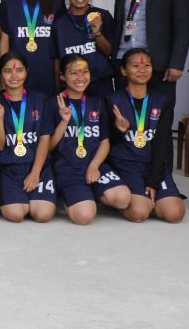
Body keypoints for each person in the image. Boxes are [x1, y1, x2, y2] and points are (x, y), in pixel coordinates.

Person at [111, 0, 189, 136]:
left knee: (159, 126)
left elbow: (183, 25)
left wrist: (176, 63)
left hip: (159, 67)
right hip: (123, 65)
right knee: (124, 124)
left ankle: (159, 160)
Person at [50, 54, 130, 225]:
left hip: (94, 165)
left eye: (85, 72)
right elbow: (47, 147)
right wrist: (64, 122)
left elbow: (104, 142)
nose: (80, 77)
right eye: (74, 73)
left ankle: (89, 194)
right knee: (85, 216)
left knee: (123, 199)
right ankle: (67, 197)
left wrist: (94, 166)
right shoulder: (53, 104)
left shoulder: (97, 103)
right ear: (62, 76)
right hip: (68, 169)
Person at [108, 48, 186, 223]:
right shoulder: (113, 101)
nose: (142, 70)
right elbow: (107, 141)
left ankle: (151, 198)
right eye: (135, 66)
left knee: (174, 214)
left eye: (147, 66)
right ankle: (135, 200)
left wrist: (154, 179)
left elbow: (162, 142)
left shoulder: (162, 100)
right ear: (123, 70)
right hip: (127, 166)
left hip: (153, 165)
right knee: (139, 213)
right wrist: (119, 130)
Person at [0, 52, 57, 222]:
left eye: (19, 70)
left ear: (27, 71)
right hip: (8, 169)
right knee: (16, 214)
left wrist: (35, 172)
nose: (14, 76)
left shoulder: (41, 100)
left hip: (37, 167)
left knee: (43, 215)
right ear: (0, 74)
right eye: (7, 71)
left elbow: (44, 139)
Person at [0, 0, 64, 95]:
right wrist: (2, 78)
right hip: (16, 75)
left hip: (48, 73)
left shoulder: (57, 3)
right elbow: (4, 43)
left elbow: (61, 42)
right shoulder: (8, 4)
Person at [53, 0, 116, 97]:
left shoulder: (102, 16)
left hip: (101, 84)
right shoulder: (58, 24)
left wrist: (97, 33)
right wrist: (57, 88)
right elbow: (56, 59)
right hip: (72, 85)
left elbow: (109, 52)